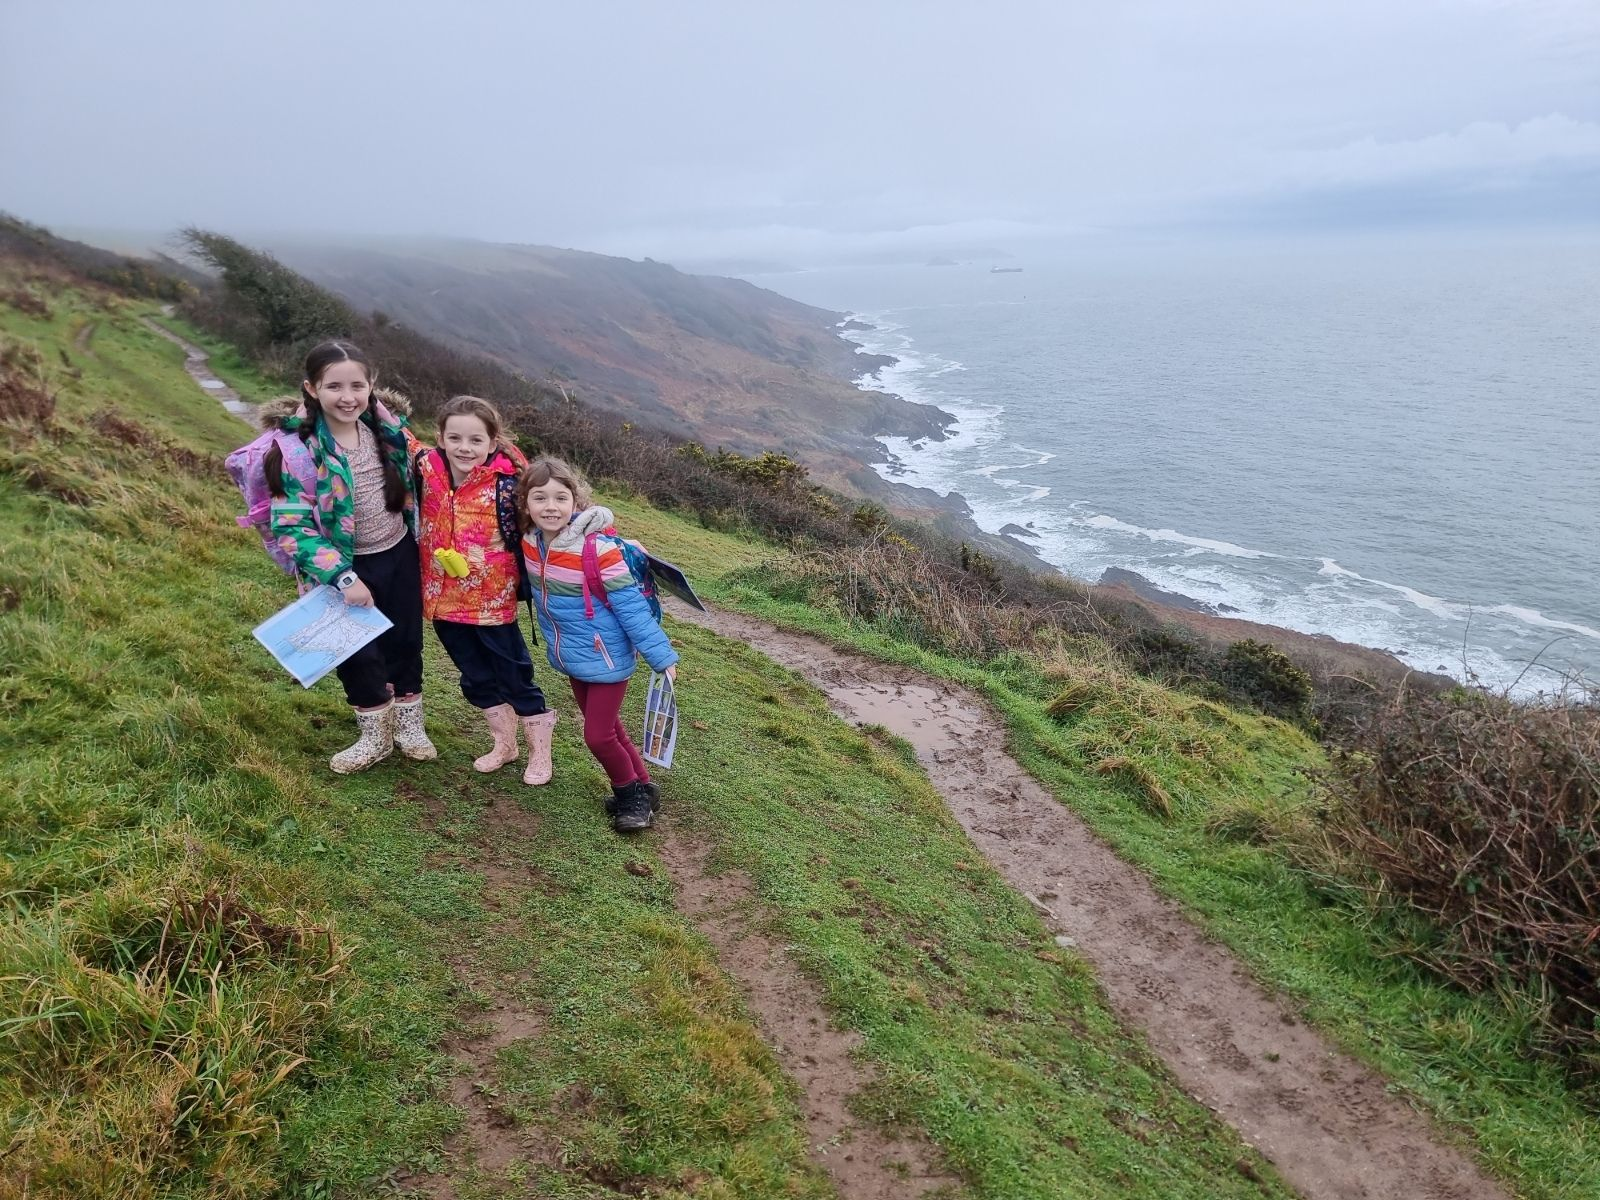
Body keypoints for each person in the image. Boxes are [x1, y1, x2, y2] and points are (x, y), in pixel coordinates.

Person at [266, 339, 434, 773]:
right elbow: (291, 528)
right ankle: (374, 737)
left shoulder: (387, 431)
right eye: (334, 386)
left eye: (357, 386)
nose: (347, 397)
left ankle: (409, 725)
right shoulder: (296, 450)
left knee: (405, 642)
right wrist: (343, 577)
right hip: (344, 568)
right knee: (357, 655)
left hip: (398, 552)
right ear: (311, 388)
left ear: (371, 385)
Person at [518, 456, 677, 832]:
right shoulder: (530, 544)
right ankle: (644, 787)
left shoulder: (598, 549)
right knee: (609, 728)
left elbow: (632, 607)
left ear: (576, 501)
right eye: (540, 498)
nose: (551, 507)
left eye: (560, 498)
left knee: (598, 736)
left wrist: (662, 657)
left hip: (607, 657)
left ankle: (630, 797)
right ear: (525, 503)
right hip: (573, 655)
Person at [416, 395, 558, 783]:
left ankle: (540, 755)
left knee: (514, 677)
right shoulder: (427, 470)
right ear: (440, 438)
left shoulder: (509, 485)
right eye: (455, 438)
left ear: (493, 442)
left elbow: (555, 511)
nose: (465, 448)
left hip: (492, 604)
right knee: (476, 678)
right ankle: (505, 745)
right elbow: (398, 435)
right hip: (443, 601)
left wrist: (601, 530)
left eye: (476, 440)